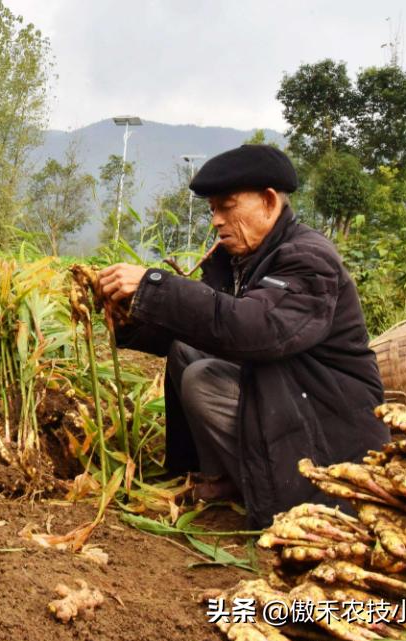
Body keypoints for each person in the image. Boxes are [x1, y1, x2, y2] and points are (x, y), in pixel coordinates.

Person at [97, 144, 389, 528]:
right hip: (284, 395)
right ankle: (222, 480)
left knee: (202, 379)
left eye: (227, 207)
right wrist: (127, 313)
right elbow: (201, 324)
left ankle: (274, 493)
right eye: (212, 210)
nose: (216, 221)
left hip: (324, 425)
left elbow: (255, 329)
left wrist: (154, 285)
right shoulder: (239, 259)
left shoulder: (308, 258)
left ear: (268, 201)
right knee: (186, 350)